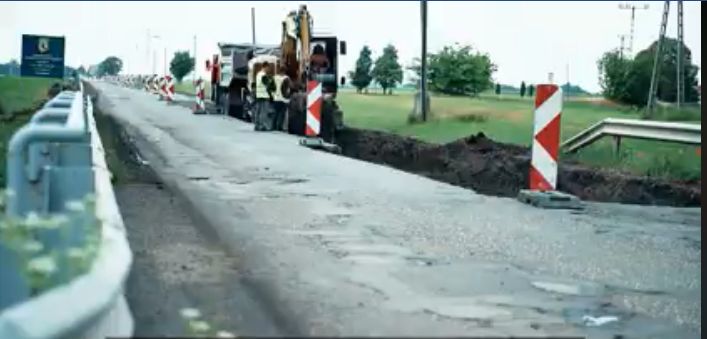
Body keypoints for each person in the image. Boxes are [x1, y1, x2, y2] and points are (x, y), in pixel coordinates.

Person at [253, 62, 276, 131]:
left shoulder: (258, 74)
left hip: (258, 95)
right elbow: (267, 85)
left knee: (258, 111)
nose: (268, 69)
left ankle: (257, 125)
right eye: (268, 68)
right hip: (264, 95)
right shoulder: (263, 75)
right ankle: (262, 126)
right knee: (264, 112)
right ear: (265, 67)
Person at [272, 66, 290, 131]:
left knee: (276, 113)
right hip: (283, 99)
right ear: (284, 71)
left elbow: (272, 87)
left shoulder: (274, 77)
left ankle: (273, 126)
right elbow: (288, 89)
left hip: (276, 98)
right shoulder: (286, 78)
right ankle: (279, 127)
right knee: (281, 114)